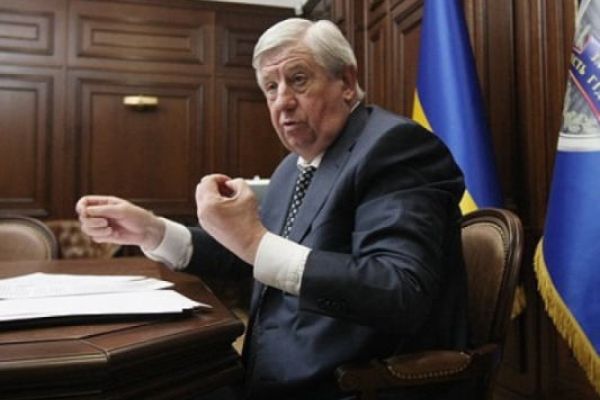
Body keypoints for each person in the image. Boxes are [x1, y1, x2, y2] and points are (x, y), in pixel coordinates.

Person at [77, 18, 469, 400]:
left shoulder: (394, 147)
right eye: (270, 86)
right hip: (267, 373)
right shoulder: (292, 168)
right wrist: (153, 231)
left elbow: (398, 289)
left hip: (349, 384)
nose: (282, 100)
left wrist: (253, 241)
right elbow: (252, 255)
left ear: (347, 83)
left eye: (298, 79)